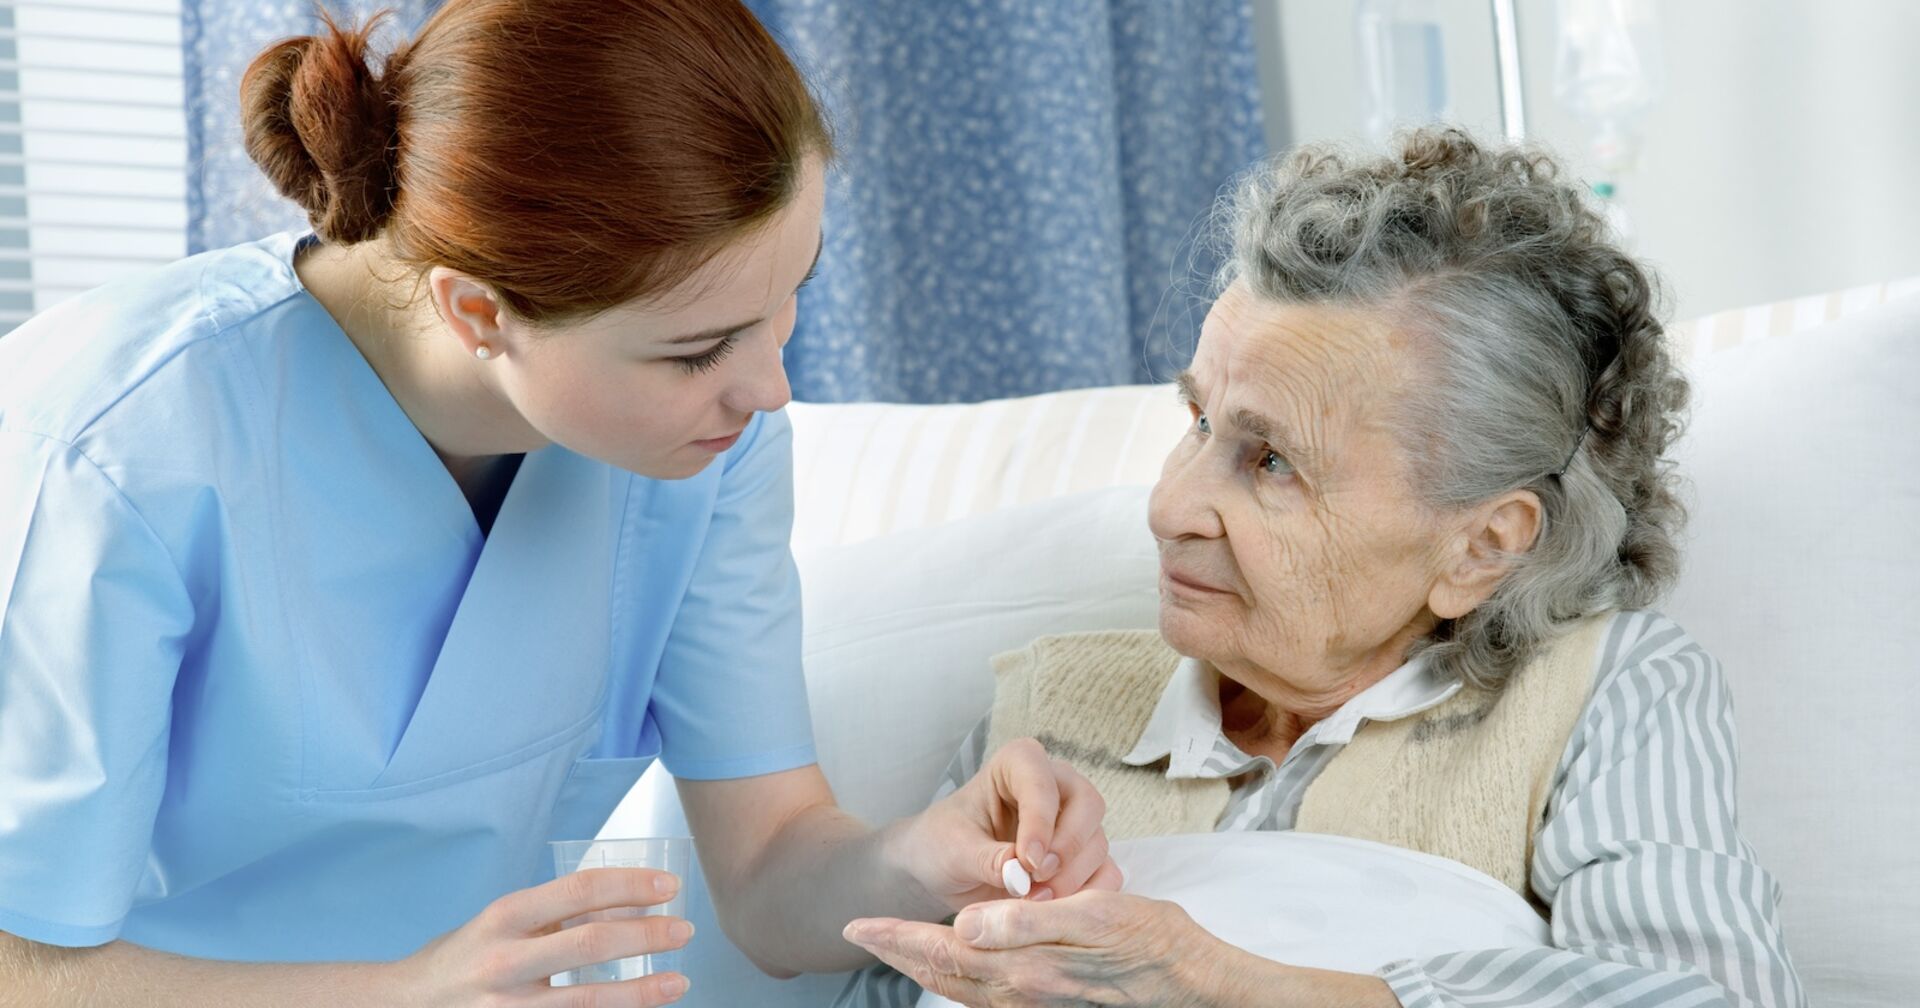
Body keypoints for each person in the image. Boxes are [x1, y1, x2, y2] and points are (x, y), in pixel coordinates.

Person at [0, 2, 1115, 1004]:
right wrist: (402, 995)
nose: (771, 387)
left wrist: (923, 859)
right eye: (697, 349)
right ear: (478, 312)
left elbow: (772, 871)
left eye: (789, 301)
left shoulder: (710, 451)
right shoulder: (109, 457)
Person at [837, 128, 1807, 1007]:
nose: (1169, 510)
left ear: (1482, 546)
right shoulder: (1040, 723)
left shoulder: (1601, 694)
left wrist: (1224, 989)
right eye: (1199, 422)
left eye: (1271, 461)